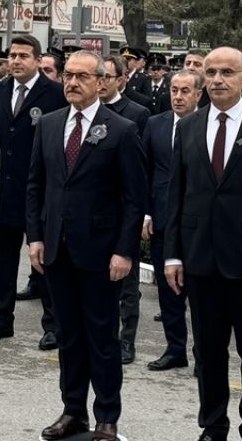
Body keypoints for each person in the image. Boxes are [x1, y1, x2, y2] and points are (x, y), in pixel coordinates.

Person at [164, 46, 242, 441]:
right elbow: (177, 195)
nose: (217, 79)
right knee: (208, 354)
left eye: (226, 72)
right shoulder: (188, 126)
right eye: (211, 72)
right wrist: (171, 254)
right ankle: (213, 425)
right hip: (201, 259)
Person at [27, 50, 146, 441]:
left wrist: (125, 250)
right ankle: (72, 410)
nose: (72, 83)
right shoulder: (49, 125)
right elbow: (35, 186)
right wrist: (36, 238)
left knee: (102, 337)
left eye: (81, 77)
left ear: (101, 81)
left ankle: (107, 416)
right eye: (68, 76)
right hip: (57, 250)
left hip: (100, 252)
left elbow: (133, 199)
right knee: (69, 336)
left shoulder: (122, 129)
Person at [0, 35, 67, 351]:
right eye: (12, 55)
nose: (16, 61)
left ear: (36, 59)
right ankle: (2, 320)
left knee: (43, 260)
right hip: (3, 191)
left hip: (41, 192)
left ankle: (53, 325)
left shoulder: (56, 94)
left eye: (23, 56)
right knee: (3, 262)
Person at [142, 69, 201, 373]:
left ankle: (202, 353)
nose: (177, 97)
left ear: (198, 95)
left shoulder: (206, 125)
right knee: (169, 290)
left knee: (201, 292)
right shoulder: (155, 124)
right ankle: (174, 348)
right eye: (174, 90)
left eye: (184, 91)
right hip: (164, 218)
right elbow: (146, 171)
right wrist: (147, 212)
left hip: (199, 222)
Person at [99, 54, 149, 366]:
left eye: (107, 77)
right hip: (94, 209)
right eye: (98, 76)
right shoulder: (85, 112)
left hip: (122, 207)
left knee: (127, 282)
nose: (101, 82)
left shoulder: (136, 114)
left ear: (121, 80)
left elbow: (141, 168)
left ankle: (127, 339)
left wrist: (143, 211)